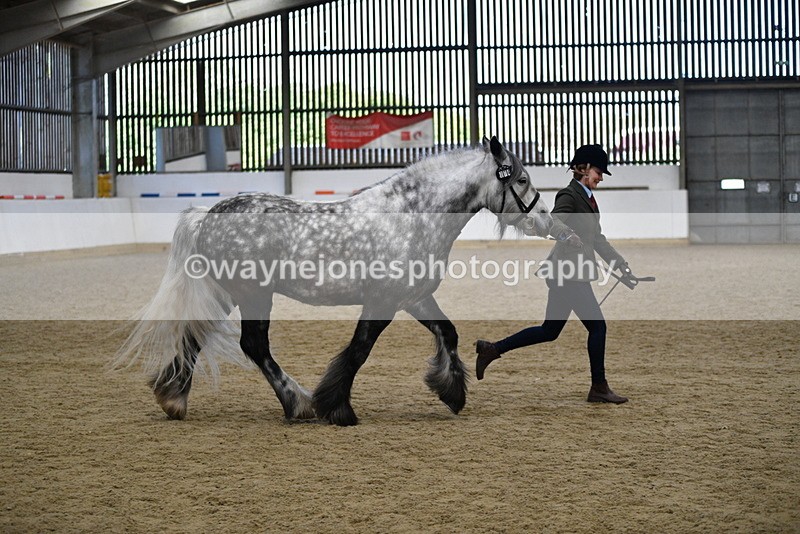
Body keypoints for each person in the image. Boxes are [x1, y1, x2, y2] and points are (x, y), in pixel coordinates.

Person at [475, 144, 634, 404]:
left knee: (549, 330)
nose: (601, 177)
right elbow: (553, 220)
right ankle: (599, 387)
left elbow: (598, 239)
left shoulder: (590, 200)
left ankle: (492, 349)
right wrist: (564, 233)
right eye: (598, 171)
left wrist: (620, 266)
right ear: (583, 169)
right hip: (568, 273)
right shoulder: (569, 195)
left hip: (572, 274)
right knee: (598, 327)